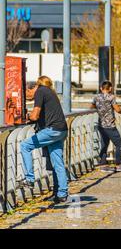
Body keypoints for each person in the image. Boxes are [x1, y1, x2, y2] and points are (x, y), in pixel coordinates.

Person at [19, 76, 69, 204]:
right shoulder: (49, 91)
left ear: (31, 89)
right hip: (61, 130)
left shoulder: (40, 91)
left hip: (52, 130)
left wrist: (26, 116)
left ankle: (29, 179)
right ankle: (62, 194)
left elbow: (35, 115)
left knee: (25, 146)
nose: (27, 97)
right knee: (58, 163)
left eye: (27, 93)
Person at [91, 81, 121, 172]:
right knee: (119, 145)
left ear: (101, 88)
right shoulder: (111, 97)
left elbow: (92, 107)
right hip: (110, 125)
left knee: (105, 144)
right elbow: (117, 109)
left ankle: (103, 164)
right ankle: (118, 164)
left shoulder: (96, 97)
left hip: (101, 125)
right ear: (110, 88)